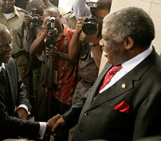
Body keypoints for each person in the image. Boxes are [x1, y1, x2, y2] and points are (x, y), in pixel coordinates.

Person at [48, 7, 161, 141]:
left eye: (106, 38)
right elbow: (96, 92)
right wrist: (68, 118)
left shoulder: (156, 88)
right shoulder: (119, 55)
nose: (100, 42)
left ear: (128, 43)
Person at [30, 6, 78, 140]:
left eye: (53, 17)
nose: (51, 21)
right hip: (49, 83)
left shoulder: (71, 34)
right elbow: (32, 50)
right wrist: (45, 32)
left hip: (66, 86)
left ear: (61, 17)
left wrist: (59, 55)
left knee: (61, 123)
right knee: (45, 116)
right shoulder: (45, 33)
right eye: (47, 18)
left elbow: (74, 58)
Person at [67, 0, 111, 140]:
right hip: (82, 87)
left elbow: (103, 70)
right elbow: (72, 55)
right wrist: (78, 31)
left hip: (98, 89)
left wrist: (94, 43)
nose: (101, 23)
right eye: (99, 18)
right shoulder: (89, 30)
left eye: (105, 19)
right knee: (73, 126)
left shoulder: (112, 40)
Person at [0, 0, 32, 99]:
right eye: (4, 0)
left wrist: (30, 62)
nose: (7, 2)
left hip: (19, 62)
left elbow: (29, 42)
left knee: (21, 93)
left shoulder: (24, 16)